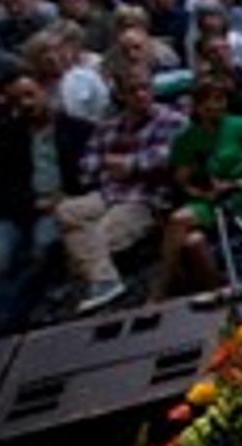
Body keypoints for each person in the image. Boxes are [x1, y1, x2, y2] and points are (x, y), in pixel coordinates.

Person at [59, 67, 186, 312]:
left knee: (95, 239)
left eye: (145, 88)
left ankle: (102, 282)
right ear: (121, 96)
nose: (141, 95)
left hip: (145, 199)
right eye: (133, 91)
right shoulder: (108, 127)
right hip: (108, 193)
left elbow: (171, 157)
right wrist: (112, 165)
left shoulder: (173, 120)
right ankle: (105, 280)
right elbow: (86, 168)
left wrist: (131, 164)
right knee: (67, 210)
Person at [0, 73, 92, 330]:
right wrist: (33, 203)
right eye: (18, 100)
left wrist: (66, 198)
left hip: (63, 206)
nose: (26, 104)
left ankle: (28, 316)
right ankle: (5, 322)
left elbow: (90, 174)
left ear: (44, 92)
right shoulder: (1, 137)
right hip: (16, 212)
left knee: (44, 245)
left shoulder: (78, 129)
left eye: (30, 95)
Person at [161, 75, 242, 300]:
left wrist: (236, 184)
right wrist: (201, 192)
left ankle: (237, 284)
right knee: (185, 231)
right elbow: (183, 180)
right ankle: (181, 285)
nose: (215, 106)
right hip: (210, 198)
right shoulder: (187, 138)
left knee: (189, 233)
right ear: (197, 106)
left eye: (220, 100)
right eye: (208, 102)